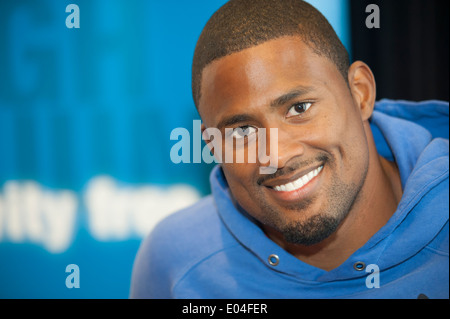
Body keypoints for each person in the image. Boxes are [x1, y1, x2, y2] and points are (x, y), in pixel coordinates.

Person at [130, 0, 449, 298]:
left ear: (361, 93)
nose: (277, 156)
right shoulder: (175, 261)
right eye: (243, 131)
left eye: (299, 108)